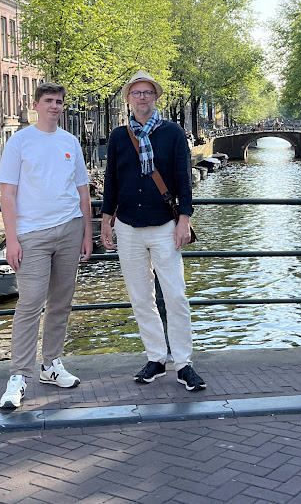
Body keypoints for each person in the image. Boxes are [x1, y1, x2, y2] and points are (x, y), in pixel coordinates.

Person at [101, 70, 206, 391]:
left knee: (175, 295)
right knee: (140, 297)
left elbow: (184, 179)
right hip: (128, 226)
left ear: (156, 97)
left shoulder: (172, 133)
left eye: (148, 92)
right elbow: (111, 181)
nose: (142, 97)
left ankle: (184, 363)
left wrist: (184, 219)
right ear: (128, 98)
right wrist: (106, 220)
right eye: (137, 92)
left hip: (164, 225)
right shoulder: (119, 136)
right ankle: (156, 358)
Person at [0, 83, 93, 409]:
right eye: (49, 101)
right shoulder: (19, 142)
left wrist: (86, 233)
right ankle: (19, 375)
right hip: (32, 234)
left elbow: (82, 191)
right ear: (36, 105)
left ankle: (51, 364)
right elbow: (7, 194)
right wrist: (12, 240)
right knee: (30, 302)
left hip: (69, 229)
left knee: (61, 302)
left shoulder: (70, 142)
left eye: (59, 102)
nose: (55, 106)